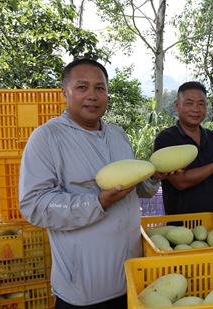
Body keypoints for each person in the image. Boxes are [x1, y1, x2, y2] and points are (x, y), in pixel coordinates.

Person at [19, 58, 170, 308]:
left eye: (100, 88)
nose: (92, 95)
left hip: (129, 281)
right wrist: (98, 202)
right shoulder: (46, 138)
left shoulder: (118, 135)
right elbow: (35, 205)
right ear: (64, 93)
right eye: (82, 87)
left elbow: (134, 189)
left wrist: (154, 177)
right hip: (83, 291)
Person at [153, 81, 213, 218]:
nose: (195, 109)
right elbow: (181, 182)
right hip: (181, 226)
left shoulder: (212, 136)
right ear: (177, 105)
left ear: (206, 106)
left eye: (200, 104)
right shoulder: (167, 139)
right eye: (189, 103)